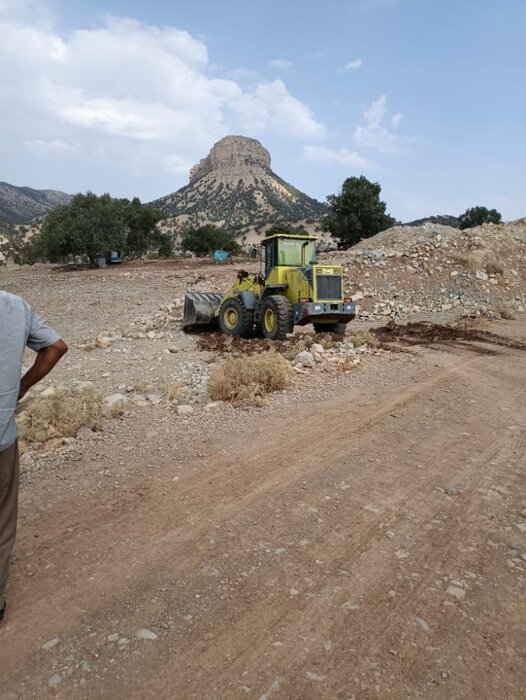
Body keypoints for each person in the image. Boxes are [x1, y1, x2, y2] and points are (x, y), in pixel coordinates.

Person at [0, 291, 68, 624]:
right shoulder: (15, 306)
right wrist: (20, 387)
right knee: (2, 525)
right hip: (2, 442)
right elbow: (56, 347)